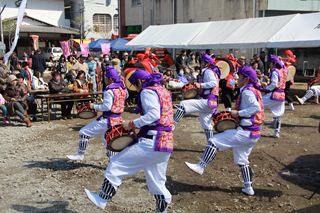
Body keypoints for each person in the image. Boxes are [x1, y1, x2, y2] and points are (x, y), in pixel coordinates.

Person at [84, 70, 174, 213]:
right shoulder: (162, 90)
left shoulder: (147, 92)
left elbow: (153, 114)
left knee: (116, 164)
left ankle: (102, 198)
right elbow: (164, 118)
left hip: (151, 142)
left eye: (135, 85)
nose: (136, 89)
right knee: (157, 182)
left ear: (139, 82)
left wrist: (133, 124)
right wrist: (141, 128)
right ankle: (161, 210)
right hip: (166, 141)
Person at [185, 66, 264, 196]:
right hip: (253, 132)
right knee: (242, 160)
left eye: (240, 76)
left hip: (246, 132)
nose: (237, 78)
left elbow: (255, 108)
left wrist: (238, 113)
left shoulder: (248, 92)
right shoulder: (253, 90)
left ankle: (201, 166)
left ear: (246, 79)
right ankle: (248, 187)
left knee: (213, 141)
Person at [67, 66, 127, 161]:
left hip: (107, 119)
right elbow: (123, 99)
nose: (105, 80)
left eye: (106, 78)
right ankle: (113, 161)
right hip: (118, 119)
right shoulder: (123, 88)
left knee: (84, 132)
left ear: (110, 79)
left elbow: (106, 107)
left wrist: (93, 106)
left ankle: (80, 154)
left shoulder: (109, 90)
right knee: (107, 140)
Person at [173, 53, 220, 140]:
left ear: (205, 63)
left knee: (183, 104)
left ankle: (171, 126)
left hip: (207, 100)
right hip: (210, 102)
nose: (199, 63)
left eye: (201, 61)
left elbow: (214, 83)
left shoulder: (208, 71)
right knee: (206, 125)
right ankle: (212, 144)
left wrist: (201, 85)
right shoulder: (206, 71)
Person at [262, 55, 287, 138]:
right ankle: (276, 132)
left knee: (257, 105)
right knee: (278, 114)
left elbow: (274, 84)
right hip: (282, 95)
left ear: (273, 63)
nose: (269, 65)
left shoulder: (275, 71)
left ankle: (254, 128)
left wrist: (265, 88)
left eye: (270, 63)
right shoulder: (283, 70)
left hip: (274, 94)